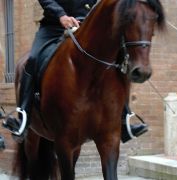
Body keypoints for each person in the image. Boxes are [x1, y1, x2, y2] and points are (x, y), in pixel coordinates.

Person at [3, 0, 147, 143]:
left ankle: (124, 119)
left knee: (120, 56)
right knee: (32, 60)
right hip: (54, 26)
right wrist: (61, 15)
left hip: (89, 26)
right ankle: (24, 118)